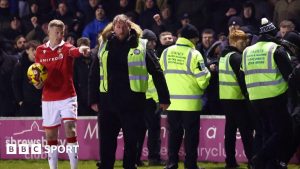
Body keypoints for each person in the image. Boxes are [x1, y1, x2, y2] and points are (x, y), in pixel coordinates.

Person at [91, 14, 170, 169]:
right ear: (113, 28)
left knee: (132, 142)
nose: (120, 28)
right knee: (106, 141)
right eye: (117, 25)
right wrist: (93, 99)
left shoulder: (141, 46)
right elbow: (94, 73)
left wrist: (164, 98)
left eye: (123, 25)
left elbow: (157, 72)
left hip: (133, 103)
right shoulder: (104, 45)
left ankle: (130, 166)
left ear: (129, 27)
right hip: (108, 103)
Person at [34, 19, 90, 169]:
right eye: (57, 32)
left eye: (62, 33)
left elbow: (75, 51)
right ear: (49, 32)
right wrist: (37, 83)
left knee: (70, 129)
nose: (59, 35)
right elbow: (38, 73)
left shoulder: (66, 48)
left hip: (67, 97)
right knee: (51, 137)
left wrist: (82, 49)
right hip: (49, 98)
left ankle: (74, 167)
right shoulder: (40, 51)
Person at [241, 18, 293, 169]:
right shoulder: (275, 49)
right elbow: (289, 75)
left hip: (254, 98)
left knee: (265, 132)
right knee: (283, 131)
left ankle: (267, 164)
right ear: (273, 33)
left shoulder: (247, 51)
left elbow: (243, 75)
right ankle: (260, 158)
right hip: (275, 96)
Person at [161, 24, 211, 169]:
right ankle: (190, 164)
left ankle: (171, 163)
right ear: (193, 38)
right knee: (191, 136)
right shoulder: (194, 54)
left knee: (174, 134)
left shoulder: (166, 52)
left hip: (171, 103)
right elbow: (202, 80)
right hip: (191, 103)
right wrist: (208, 74)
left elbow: (158, 76)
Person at [218, 30, 253, 169]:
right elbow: (243, 80)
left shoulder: (223, 56)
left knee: (230, 131)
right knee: (246, 131)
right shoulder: (236, 57)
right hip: (238, 99)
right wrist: (248, 96)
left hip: (226, 98)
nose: (245, 43)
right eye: (242, 40)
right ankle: (252, 160)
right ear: (234, 41)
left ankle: (230, 161)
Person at [136, 29, 165, 166]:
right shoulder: (150, 55)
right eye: (152, 41)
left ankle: (135, 158)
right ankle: (154, 158)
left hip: (140, 97)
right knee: (153, 130)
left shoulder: (137, 55)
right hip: (151, 99)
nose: (154, 44)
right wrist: (158, 99)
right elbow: (152, 80)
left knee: (139, 130)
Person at [11, 40, 42, 116]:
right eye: (33, 50)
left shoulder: (42, 64)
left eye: (37, 50)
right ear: (27, 51)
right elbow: (15, 83)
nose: (35, 52)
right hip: (26, 104)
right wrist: (20, 100)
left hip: (40, 104)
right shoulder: (20, 65)